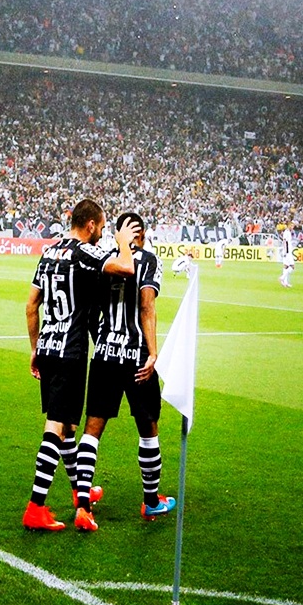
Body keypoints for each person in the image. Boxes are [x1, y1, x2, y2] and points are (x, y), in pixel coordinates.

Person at [23, 198, 136, 533]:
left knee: (68, 428)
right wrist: (122, 241)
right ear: (90, 225)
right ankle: (36, 506)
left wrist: (34, 348)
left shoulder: (49, 252)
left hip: (47, 345)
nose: (101, 234)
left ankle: (79, 491)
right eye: (101, 228)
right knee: (56, 427)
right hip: (70, 351)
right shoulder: (85, 252)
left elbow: (31, 305)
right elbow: (126, 268)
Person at [71, 213, 178, 528]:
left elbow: (91, 311)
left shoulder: (104, 258)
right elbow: (147, 306)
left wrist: (102, 343)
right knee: (148, 427)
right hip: (136, 357)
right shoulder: (148, 260)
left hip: (105, 354)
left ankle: (83, 506)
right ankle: (150, 502)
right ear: (141, 234)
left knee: (92, 430)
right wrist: (153, 352)